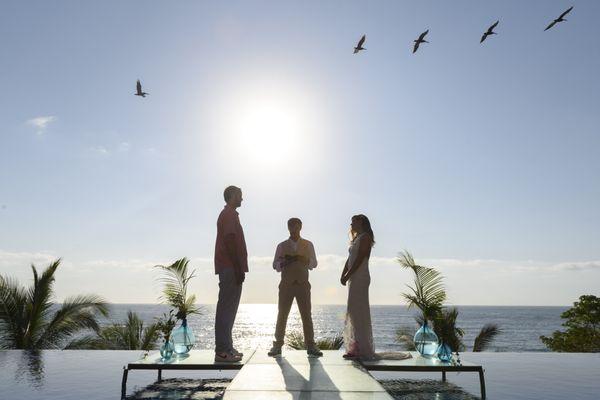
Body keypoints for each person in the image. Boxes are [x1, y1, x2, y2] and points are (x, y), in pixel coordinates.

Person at [268, 218, 323, 357]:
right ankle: (277, 345)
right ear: (288, 228)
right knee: (282, 314)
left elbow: (314, 263)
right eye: (291, 226)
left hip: (303, 284)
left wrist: (305, 260)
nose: (293, 228)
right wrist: (284, 262)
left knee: (306, 315)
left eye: (296, 226)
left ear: (300, 227)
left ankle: (311, 346)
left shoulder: (308, 244)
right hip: (286, 285)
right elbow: (275, 265)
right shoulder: (281, 246)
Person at [214, 185, 248, 362]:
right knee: (226, 308)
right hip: (229, 267)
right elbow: (229, 240)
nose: (242, 199)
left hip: (232, 267)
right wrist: (237, 267)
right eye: (240, 196)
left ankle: (227, 347)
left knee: (230, 308)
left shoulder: (231, 214)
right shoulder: (228, 214)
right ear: (233, 196)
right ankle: (222, 350)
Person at [341, 214, 376, 360]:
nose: (351, 224)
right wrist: (343, 273)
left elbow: (361, 257)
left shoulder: (365, 237)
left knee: (358, 310)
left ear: (361, 222)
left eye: (353, 221)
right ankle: (355, 346)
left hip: (360, 277)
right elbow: (350, 259)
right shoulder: (356, 239)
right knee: (353, 311)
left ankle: (361, 349)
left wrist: (348, 275)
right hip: (353, 277)